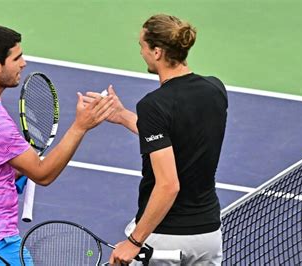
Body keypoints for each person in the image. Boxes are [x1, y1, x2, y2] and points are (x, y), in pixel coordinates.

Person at [0, 24, 114, 266]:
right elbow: (43, 175)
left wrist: (11, 172)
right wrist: (80, 126)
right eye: (16, 57)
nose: (23, 63)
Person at [86, 14, 228, 265]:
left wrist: (134, 241)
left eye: (142, 46)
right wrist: (122, 116)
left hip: (166, 240)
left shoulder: (154, 105)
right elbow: (178, 136)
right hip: (208, 235)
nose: (141, 52)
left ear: (157, 52)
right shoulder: (215, 89)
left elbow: (168, 185)